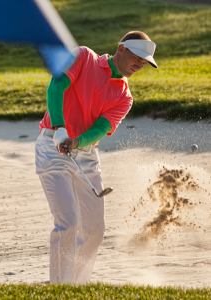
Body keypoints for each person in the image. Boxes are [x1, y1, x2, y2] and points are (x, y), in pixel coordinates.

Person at [35, 31, 158, 284]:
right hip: (52, 145)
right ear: (121, 48)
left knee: (95, 232)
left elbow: (101, 128)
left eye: (144, 62)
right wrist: (60, 128)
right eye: (137, 57)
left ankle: (77, 286)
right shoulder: (83, 57)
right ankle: (60, 288)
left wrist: (77, 141)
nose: (139, 65)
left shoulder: (125, 96)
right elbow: (56, 86)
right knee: (67, 222)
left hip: (86, 155)